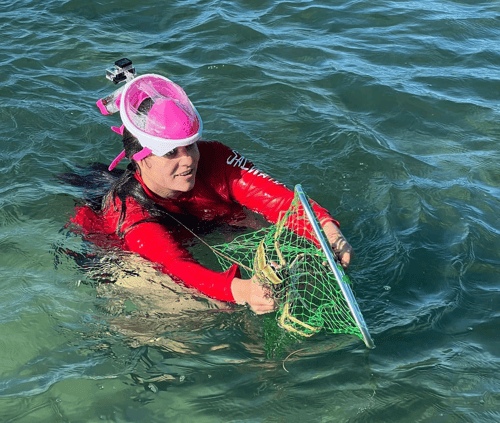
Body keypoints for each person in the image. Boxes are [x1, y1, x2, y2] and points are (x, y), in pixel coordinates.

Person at [70, 73, 352, 315]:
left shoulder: (214, 157)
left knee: (272, 235)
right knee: (194, 308)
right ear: (141, 158)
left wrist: (329, 232)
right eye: (171, 153)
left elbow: (281, 202)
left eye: (190, 145)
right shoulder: (129, 210)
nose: (189, 160)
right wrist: (243, 291)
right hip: (115, 245)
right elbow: (178, 266)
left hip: (200, 219)